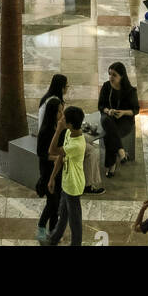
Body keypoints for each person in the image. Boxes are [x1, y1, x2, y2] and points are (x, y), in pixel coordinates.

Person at [43, 105, 86, 246]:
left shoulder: (77, 144)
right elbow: (60, 158)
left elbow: (52, 150)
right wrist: (52, 178)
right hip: (66, 183)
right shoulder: (70, 133)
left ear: (70, 124)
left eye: (64, 119)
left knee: (75, 222)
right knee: (63, 214)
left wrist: (58, 130)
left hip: (73, 186)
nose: (61, 119)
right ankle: (54, 239)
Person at [35, 74, 67, 241]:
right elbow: (41, 153)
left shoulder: (60, 128)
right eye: (59, 112)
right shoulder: (46, 131)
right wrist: (55, 158)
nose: (62, 114)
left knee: (57, 203)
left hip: (59, 169)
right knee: (52, 202)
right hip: (48, 170)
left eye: (62, 111)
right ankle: (41, 225)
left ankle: (53, 229)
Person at [97, 61, 139, 175]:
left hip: (124, 120)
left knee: (109, 135)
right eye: (109, 74)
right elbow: (101, 106)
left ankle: (111, 165)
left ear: (122, 76)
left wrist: (123, 112)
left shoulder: (130, 91)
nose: (111, 77)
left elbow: (135, 110)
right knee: (106, 121)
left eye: (114, 75)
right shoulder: (106, 86)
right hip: (109, 117)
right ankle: (121, 152)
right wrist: (108, 111)